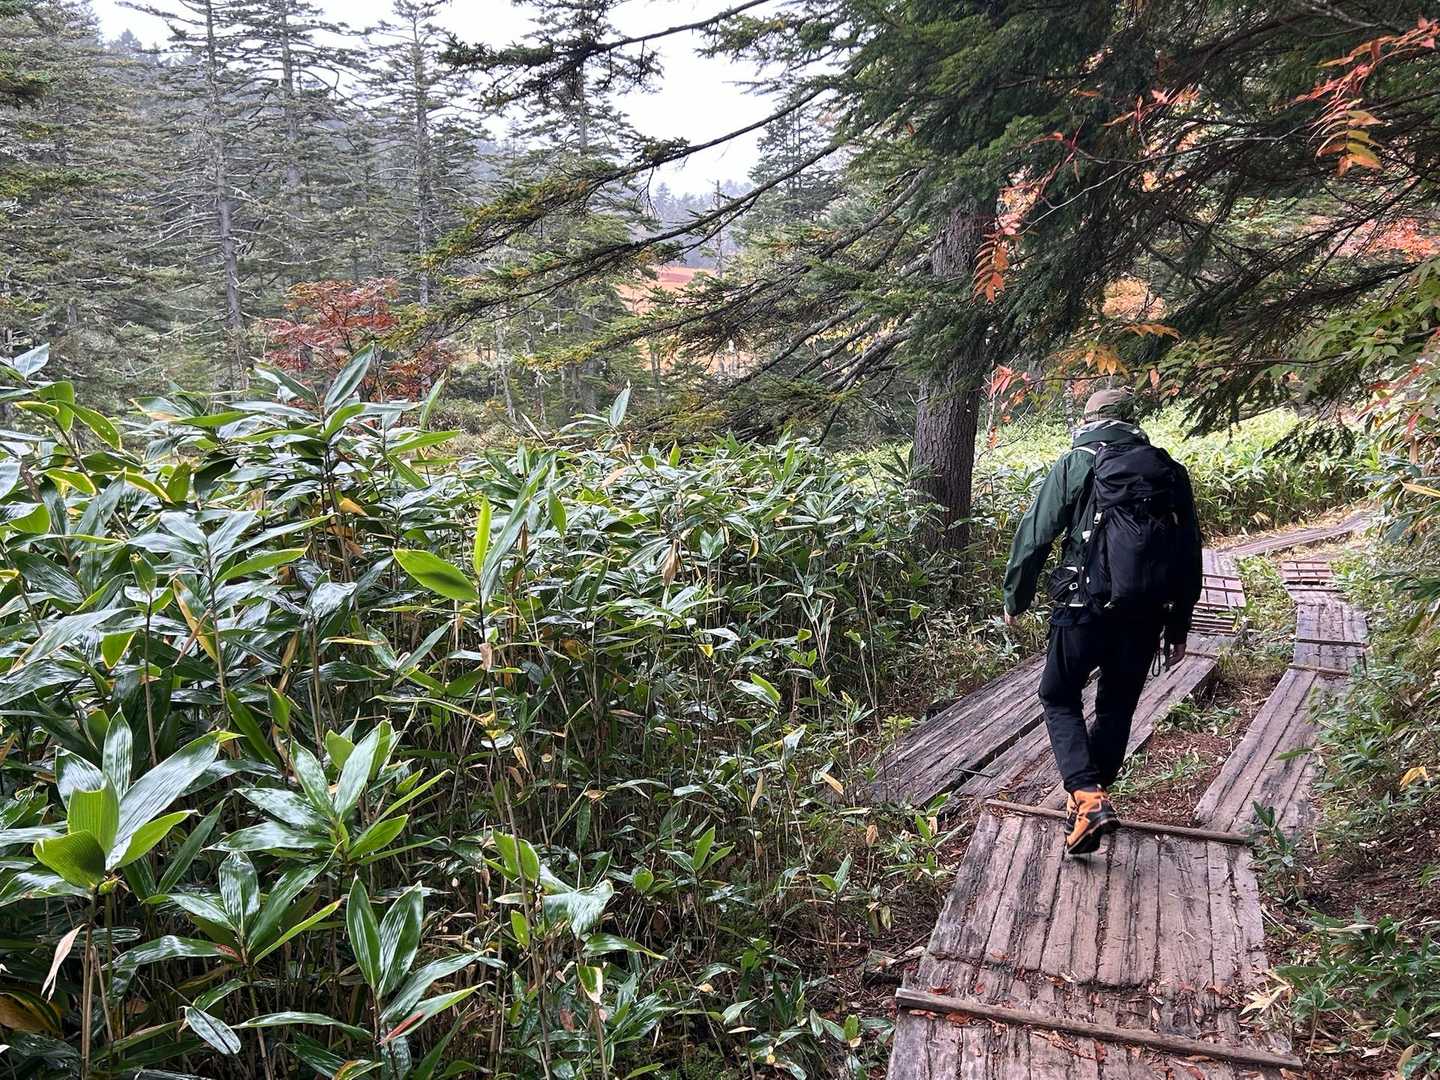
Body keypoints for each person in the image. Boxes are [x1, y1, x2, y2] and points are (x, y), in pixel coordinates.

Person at [1001, 389, 1202, 856]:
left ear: (1091, 419)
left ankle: (1088, 798)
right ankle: (1090, 801)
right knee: (1116, 707)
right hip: (1145, 613)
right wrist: (1179, 625)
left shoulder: (1077, 462)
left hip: (1083, 606)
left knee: (1058, 695)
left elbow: (1035, 535)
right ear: (1133, 420)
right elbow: (1189, 552)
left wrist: (1016, 597)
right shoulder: (1169, 471)